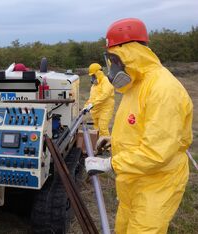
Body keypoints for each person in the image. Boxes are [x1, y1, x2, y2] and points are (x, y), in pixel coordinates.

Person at [85, 18, 193, 233]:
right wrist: (113, 140)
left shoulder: (163, 89)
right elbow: (140, 129)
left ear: (130, 54)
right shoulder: (135, 86)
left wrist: (109, 165)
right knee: (122, 228)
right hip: (133, 181)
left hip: (157, 183)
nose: (112, 67)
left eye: (115, 60)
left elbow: (156, 152)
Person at [84, 63, 115, 150]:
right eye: (91, 76)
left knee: (103, 127)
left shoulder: (106, 81)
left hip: (105, 108)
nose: (92, 77)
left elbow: (105, 95)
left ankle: (107, 147)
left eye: (93, 75)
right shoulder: (94, 86)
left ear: (98, 73)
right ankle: (99, 146)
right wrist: (86, 106)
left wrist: (93, 104)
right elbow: (91, 98)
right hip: (96, 111)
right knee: (96, 129)